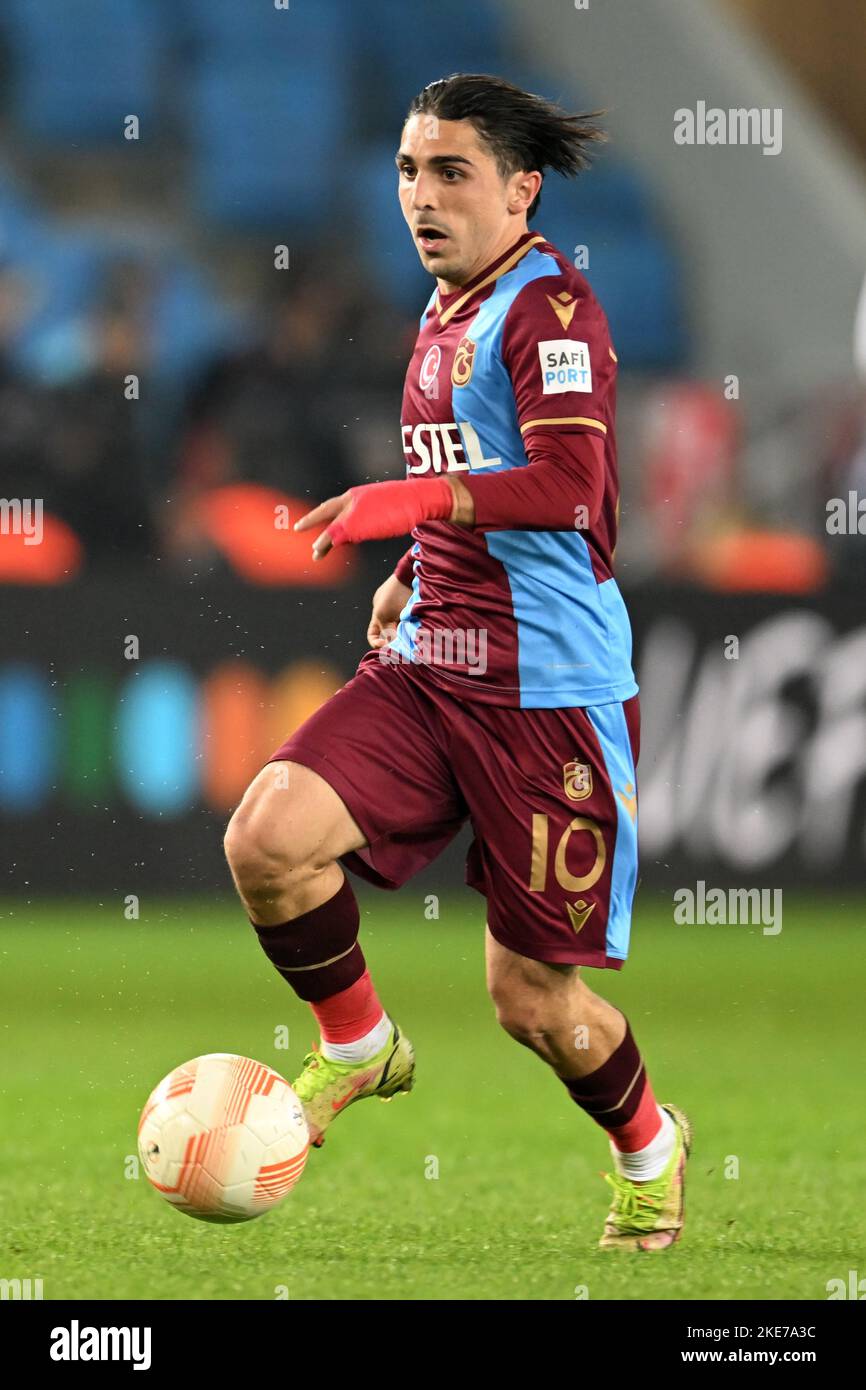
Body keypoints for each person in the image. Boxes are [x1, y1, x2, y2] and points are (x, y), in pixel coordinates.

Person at [225, 73, 691, 1252]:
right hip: (433, 663)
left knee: (530, 1000)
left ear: (520, 188)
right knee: (268, 840)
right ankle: (359, 1044)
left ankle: (647, 1145)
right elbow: (472, 481)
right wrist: (415, 568)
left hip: (546, 695)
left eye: (449, 172)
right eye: (404, 170)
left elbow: (568, 489)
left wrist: (409, 497)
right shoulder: (441, 311)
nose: (418, 197)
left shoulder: (551, 312)